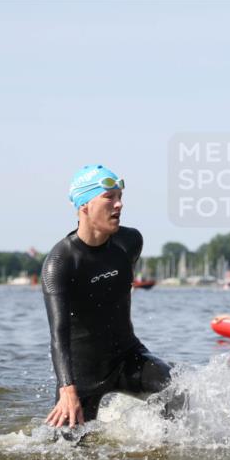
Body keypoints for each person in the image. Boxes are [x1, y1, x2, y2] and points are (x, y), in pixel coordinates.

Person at [43, 164, 176, 428]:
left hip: (127, 356)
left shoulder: (130, 242)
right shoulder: (61, 261)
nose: (119, 205)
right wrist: (66, 389)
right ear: (84, 205)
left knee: (177, 392)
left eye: (120, 197)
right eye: (109, 198)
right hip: (83, 373)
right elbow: (58, 333)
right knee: (69, 457)